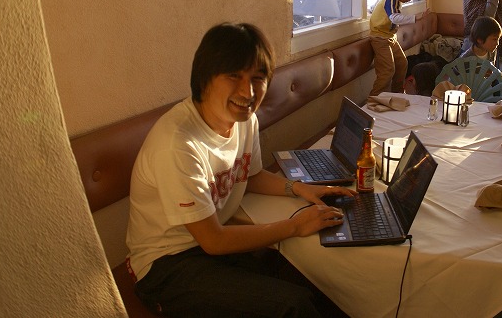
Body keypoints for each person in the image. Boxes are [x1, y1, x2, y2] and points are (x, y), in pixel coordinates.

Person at [127, 23, 356, 317]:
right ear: (204, 77)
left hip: (209, 247)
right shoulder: (178, 144)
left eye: (258, 78)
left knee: (303, 277)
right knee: (292, 305)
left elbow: (250, 175)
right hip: (166, 265)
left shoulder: (244, 121)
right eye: (234, 75)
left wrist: (299, 188)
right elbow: (213, 240)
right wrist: (295, 225)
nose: (247, 92)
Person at [369, 0, 429, 96]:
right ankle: (374, 99)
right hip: (380, 38)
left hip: (390, 37)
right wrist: (415, 18)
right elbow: (394, 18)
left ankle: (397, 93)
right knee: (387, 71)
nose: (409, 0)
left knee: (402, 63)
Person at [458, 16, 502, 84]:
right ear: (480, 40)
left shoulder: (492, 52)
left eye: (498, 39)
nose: (497, 43)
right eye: (494, 39)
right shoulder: (465, 59)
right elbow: (454, 80)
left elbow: (492, 68)